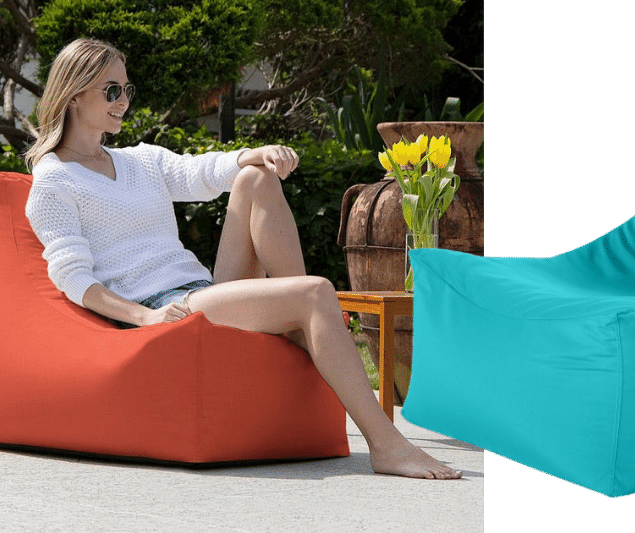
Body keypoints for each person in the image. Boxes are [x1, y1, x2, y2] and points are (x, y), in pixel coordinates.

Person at [23, 38, 461, 480]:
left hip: (203, 291)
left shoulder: (139, 161)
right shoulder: (53, 183)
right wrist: (143, 316)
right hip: (165, 306)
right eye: (111, 90)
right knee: (315, 292)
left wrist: (258, 154)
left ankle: (301, 328)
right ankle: (385, 444)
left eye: (126, 90)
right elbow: (74, 280)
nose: (123, 101)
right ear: (75, 93)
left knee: (256, 179)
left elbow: (202, 172)